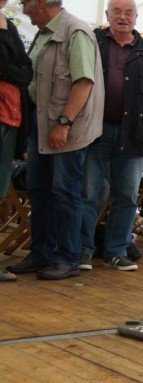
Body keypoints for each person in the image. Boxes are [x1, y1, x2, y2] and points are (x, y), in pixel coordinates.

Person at [5, 0, 104, 280]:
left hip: (64, 128)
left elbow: (84, 82)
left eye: (25, 2)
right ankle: (41, 253)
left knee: (66, 191)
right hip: (42, 125)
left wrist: (64, 122)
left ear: (40, 2)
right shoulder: (45, 32)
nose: (23, 8)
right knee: (39, 189)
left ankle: (67, 257)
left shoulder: (75, 31)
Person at [78, 0, 143, 272]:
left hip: (134, 133)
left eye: (129, 12)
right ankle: (82, 250)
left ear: (136, 17)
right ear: (107, 15)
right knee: (89, 191)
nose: (123, 17)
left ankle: (116, 250)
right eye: (116, 11)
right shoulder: (92, 41)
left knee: (127, 194)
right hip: (95, 130)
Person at [0, 0, 33, 282]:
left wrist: (10, 70)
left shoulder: (9, 24)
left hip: (11, 117)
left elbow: (26, 70)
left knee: (0, 188)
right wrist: (13, 70)